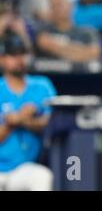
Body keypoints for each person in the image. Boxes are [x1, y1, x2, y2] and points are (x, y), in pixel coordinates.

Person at [0, 32, 56, 190]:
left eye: (22, 54)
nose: (19, 60)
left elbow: (51, 122)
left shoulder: (41, 86)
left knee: (42, 177)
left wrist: (22, 120)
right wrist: (11, 123)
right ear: (2, 59)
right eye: (12, 55)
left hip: (24, 168)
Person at [35, 0, 101, 63]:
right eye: (55, 5)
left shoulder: (88, 31)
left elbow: (94, 54)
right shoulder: (44, 29)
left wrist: (57, 47)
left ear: (71, 6)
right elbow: (45, 44)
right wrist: (83, 51)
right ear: (51, 10)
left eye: (62, 3)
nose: (59, 8)